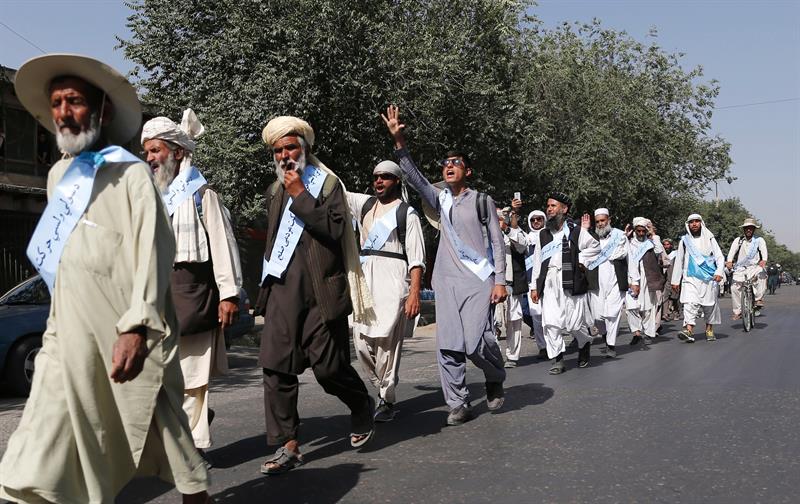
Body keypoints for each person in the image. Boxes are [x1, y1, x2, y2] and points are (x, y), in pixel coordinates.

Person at [0, 54, 209, 503]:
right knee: (38, 442)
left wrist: (137, 327)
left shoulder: (132, 174)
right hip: (66, 337)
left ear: (102, 111)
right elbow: (62, 259)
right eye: (56, 102)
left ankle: (197, 494)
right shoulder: (59, 176)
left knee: (163, 429)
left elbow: (155, 252)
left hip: (126, 331)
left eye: (73, 100)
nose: (62, 111)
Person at [257, 116, 375, 474]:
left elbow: (336, 229)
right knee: (275, 368)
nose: (284, 155)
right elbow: (273, 243)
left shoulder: (327, 186)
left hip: (322, 292)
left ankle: (360, 404)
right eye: (278, 150)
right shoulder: (274, 191)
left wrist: (300, 195)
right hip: (282, 293)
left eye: (291, 147)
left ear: (305, 148)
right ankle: (287, 444)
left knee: (329, 370)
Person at [382, 105, 507, 426]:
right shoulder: (440, 198)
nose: (449, 167)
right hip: (447, 282)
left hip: (479, 280)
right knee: (449, 344)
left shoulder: (482, 201)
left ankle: (495, 374)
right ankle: (459, 403)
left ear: (468, 171)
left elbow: (496, 241)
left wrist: (500, 280)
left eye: (456, 163)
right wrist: (399, 142)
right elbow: (414, 178)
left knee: (477, 341)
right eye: (445, 164)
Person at [141, 110, 243, 456]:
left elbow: (223, 244)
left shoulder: (202, 195)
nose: (150, 158)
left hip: (193, 295)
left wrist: (229, 294)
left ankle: (192, 449)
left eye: (156, 150)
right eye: (147, 152)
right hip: (158, 299)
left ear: (178, 152)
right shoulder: (151, 198)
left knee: (191, 377)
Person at [346, 160, 425, 422]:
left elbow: (416, 259)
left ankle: (386, 398)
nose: (379, 181)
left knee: (387, 343)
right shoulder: (365, 204)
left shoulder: (407, 213)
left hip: (393, 278)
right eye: (376, 176)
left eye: (386, 177)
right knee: (360, 341)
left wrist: (414, 292)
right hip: (364, 276)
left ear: (397, 181)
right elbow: (335, 189)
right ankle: (380, 386)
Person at [530, 193, 600, 374]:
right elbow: (538, 261)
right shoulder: (543, 234)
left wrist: (582, 260)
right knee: (551, 323)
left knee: (575, 324)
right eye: (548, 206)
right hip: (550, 282)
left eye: (553, 206)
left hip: (571, 281)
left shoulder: (576, 231)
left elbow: (595, 247)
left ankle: (584, 344)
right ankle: (558, 359)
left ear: (564, 209)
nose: (549, 209)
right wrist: (534, 287)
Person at [670, 214, 725, 343]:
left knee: (709, 306)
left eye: (697, 221)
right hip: (690, 278)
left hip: (708, 279)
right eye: (691, 222)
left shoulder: (710, 239)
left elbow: (720, 257)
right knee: (690, 303)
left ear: (701, 223)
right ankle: (688, 330)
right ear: (688, 225)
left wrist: (719, 271)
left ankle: (709, 329)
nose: (694, 224)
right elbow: (679, 260)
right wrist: (675, 280)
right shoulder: (684, 241)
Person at [583, 208, 628, 359]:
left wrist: (634, 281)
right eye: (598, 222)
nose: (601, 224)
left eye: (603, 220)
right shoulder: (590, 237)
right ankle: (606, 335)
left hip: (615, 280)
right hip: (595, 282)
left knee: (612, 315)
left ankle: (611, 345)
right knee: (597, 317)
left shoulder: (620, 235)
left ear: (609, 220)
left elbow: (630, 260)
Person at [508, 205, 548, 359]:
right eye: (533, 220)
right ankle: (543, 347)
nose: (536, 222)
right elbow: (515, 232)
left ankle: (555, 343)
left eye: (539, 219)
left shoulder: (550, 236)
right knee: (536, 317)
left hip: (550, 282)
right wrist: (514, 213)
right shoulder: (527, 237)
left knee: (551, 316)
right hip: (532, 284)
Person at [625, 218, 666, 348]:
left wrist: (653, 234)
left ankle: (648, 333)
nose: (641, 233)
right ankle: (636, 333)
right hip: (632, 280)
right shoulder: (629, 243)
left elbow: (659, 250)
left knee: (648, 308)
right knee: (631, 307)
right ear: (635, 231)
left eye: (644, 231)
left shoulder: (650, 243)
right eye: (639, 231)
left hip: (649, 279)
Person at [497, 205, 529, 368]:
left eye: (503, 217)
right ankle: (493, 355)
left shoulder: (516, 233)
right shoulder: (485, 233)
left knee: (513, 320)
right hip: (491, 282)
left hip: (511, 282)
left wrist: (509, 229)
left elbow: (524, 246)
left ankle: (512, 356)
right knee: (492, 321)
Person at [726, 218, 768, 319]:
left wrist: (764, 260)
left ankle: (758, 299)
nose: (748, 230)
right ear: (744, 229)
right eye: (746, 228)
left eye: (751, 228)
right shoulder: (738, 240)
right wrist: (729, 261)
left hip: (754, 267)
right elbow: (732, 252)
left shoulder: (759, 240)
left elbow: (764, 251)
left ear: (754, 229)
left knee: (762, 274)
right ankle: (738, 311)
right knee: (734, 288)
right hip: (740, 268)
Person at [660, 238, 681, 321]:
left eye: (668, 244)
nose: (666, 246)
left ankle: (677, 312)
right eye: (664, 245)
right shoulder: (662, 255)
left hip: (674, 279)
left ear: (671, 245)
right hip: (665, 279)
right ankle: (665, 314)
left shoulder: (675, 255)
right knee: (664, 296)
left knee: (675, 298)